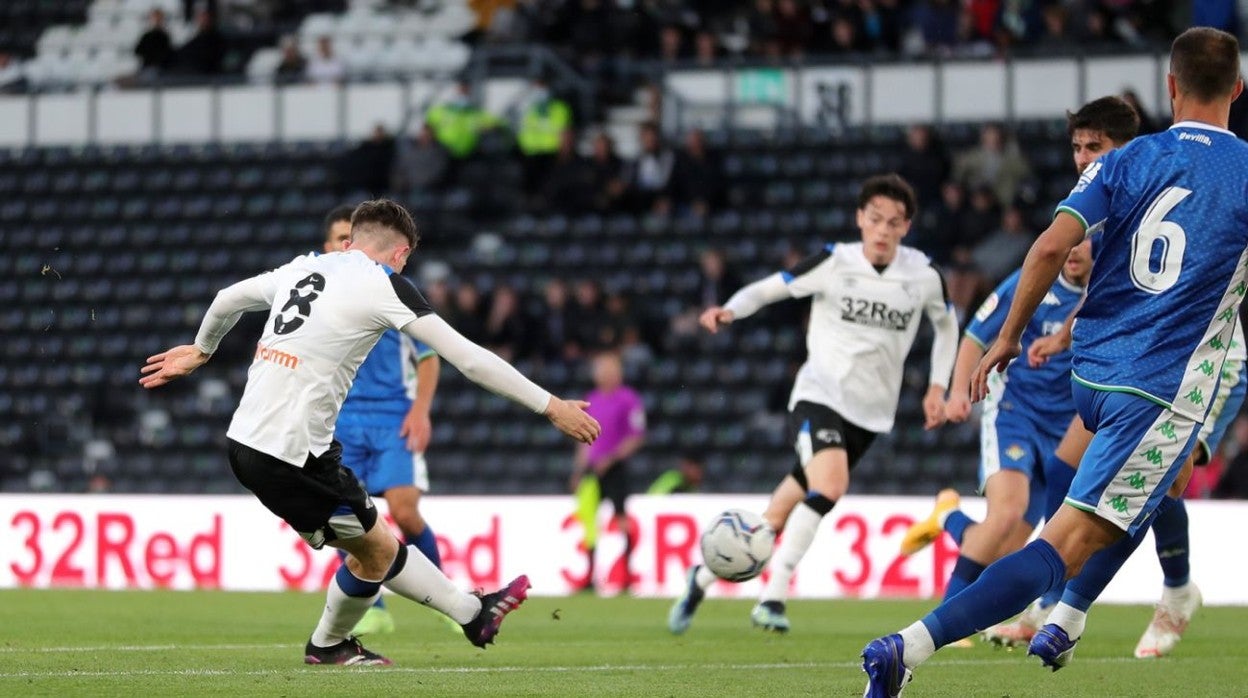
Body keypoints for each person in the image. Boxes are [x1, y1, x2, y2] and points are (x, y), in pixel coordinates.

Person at [863, 28, 1248, 696]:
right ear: (1239, 89)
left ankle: (1068, 617)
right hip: (1162, 383)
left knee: (1141, 483)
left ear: (1170, 87)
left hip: (1092, 375)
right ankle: (911, 646)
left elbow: (1045, 249)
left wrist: (1010, 335)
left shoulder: (1126, 158)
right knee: (1068, 540)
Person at [139, 199, 600, 665]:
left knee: (373, 548)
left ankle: (344, 642)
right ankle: (464, 614)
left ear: (354, 237)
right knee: (376, 549)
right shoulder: (383, 285)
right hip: (291, 453)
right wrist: (551, 406)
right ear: (401, 254)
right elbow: (468, 358)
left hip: (249, 440)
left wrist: (201, 350)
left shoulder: (303, 268)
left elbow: (226, 300)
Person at [668, 174, 958, 635]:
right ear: (860, 218)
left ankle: (702, 576)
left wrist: (937, 387)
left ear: (906, 227)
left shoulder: (922, 275)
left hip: (870, 413)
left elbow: (947, 326)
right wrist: (731, 310)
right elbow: (770, 288)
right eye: (876, 219)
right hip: (818, 394)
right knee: (830, 484)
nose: (883, 230)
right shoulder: (833, 262)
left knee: (777, 516)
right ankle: (774, 595)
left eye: (894, 222)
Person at [319, 205, 443, 637]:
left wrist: (420, 410)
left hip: (393, 416)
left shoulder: (393, 291)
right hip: (344, 419)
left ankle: (443, 597)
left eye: (347, 238)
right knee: (343, 521)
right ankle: (372, 605)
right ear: (328, 247)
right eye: (337, 239)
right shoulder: (317, 294)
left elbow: (429, 356)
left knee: (405, 514)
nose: (343, 245)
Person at [569, 351, 647, 593]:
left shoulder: (629, 399)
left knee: (622, 520)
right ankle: (590, 575)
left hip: (616, 469)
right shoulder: (591, 399)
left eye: (610, 369)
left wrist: (611, 459)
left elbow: (636, 437)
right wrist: (579, 470)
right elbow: (582, 439)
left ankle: (627, 574)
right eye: (601, 370)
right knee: (591, 522)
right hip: (593, 471)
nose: (605, 374)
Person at [134, 9, 173, 76]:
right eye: (155, 18)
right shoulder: (147, 36)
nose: (157, 20)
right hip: (147, 67)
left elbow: (167, 54)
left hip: (160, 69)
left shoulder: (164, 36)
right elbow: (138, 51)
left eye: (159, 18)